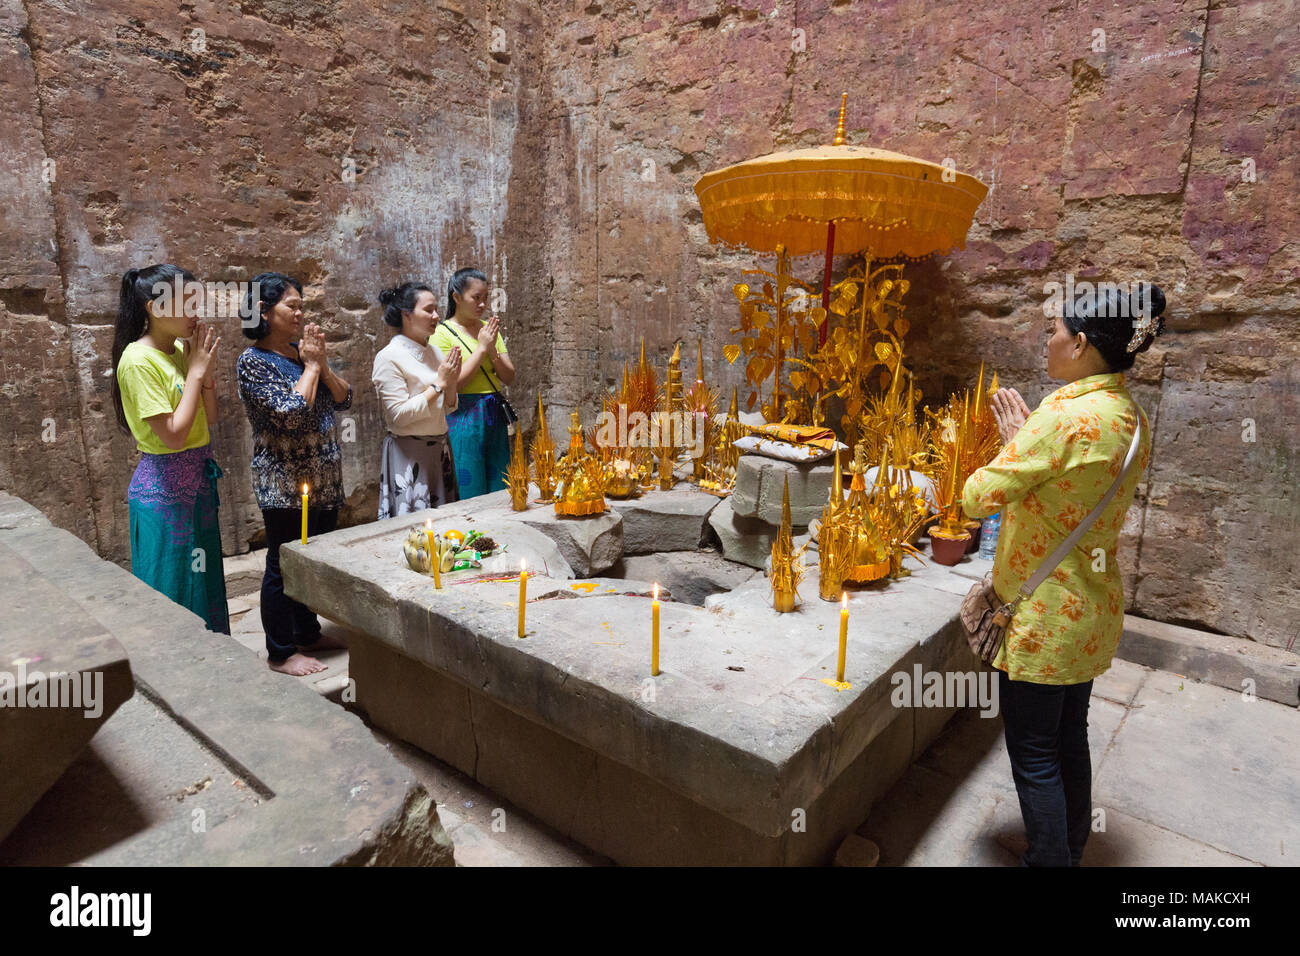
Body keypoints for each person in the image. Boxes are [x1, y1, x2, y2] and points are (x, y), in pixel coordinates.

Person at [962, 281, 1166, 867]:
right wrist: (1028, 444)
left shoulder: (1063, 416)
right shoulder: (1130, 417)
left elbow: (978, 497)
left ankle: (1048, 860)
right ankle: (1071, 848)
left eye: (1052, 332)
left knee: (1033, 754)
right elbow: (1065, 492)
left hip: (1042, 620)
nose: (1046, 341)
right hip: (1091, 612)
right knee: (1070, 738)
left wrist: (1014, 444)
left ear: (1079, 344)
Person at [235, 273, 352, 677]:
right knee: (283, 563)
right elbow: (290, 413)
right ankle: (281, 652)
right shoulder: (252, 362)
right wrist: (312, 367)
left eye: (302, 305)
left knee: (312, 559)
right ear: (263, 312)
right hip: (283, 483)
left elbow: (345, 398)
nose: (301, 313)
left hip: (324, 476)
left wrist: (320, 364)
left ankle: (307, 632)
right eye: (292, 306)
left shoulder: (303, 355)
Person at [112, 264, 230, 633]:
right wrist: (195, 373)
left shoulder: (180, 350)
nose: (196, 311)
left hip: (196, 484)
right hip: (163, 493)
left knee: (205, 584)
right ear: (154, 307)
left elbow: (209, 418)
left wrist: (204, 373)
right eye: (187, 302)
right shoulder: (137, 360)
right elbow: (174, 436)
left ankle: (217, 670)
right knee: (175, 591)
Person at [371, 281, 463, 517]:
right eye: (428, 310)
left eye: (436, 310)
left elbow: (449, 408)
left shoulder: (434, 351)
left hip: (440, 450)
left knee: (446, 528)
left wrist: (451, 381)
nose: (436, 316)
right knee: (414, 532)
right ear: (406, 315)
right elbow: (399, 417)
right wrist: (440, 383)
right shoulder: (389, 357)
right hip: (410, 453)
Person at [430, 267, 516, 497]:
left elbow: (509, 376)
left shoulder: (488, 329)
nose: (482, 304)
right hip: (463, 413)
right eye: (475, 298)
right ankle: (475, 531)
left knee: (501, 480)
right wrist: (481, 348)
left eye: (484, 298)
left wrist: (492, 351)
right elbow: (455, 384)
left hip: (493, 410)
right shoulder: (442, 333)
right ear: (456, 297)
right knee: (470, 479)